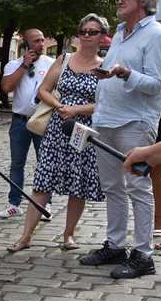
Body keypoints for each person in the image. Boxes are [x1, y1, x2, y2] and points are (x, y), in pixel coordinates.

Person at [80, 0, 161, 279]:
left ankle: (143, 255)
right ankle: (115, 245)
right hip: (106, 119)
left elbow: (156, 85)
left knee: (138, 188)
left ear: (141, 1)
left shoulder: (156, 35)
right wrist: (108, 74)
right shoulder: (119, 33)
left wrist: (127, 73)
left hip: (135, 122)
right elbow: (118, 71)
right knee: (112, 187)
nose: (118, 1)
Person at [7, 14, 108, 253]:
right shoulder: (65, 59)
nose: (85, 36)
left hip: (83, 132)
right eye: (83, 31)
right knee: (42, 182)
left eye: (92, 32)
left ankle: (68, 235)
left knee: (78, 185)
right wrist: (60, 106)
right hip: (56, 128)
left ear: (102, 37)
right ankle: (26, 236)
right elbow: (43, 90)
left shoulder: (104, 67)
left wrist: (77, 109)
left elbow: (106, 103)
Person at [0, 29, 55, 219]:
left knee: (44, 163)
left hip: (43, 120)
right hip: (20, 121)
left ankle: (45, 204)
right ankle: (14, 204)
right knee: (16, 164)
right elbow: (6, 88)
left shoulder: (51, 63)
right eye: (36, 41)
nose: (41, 44)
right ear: (26, 43)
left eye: (42, 40)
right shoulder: (13, 64)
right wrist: (24, 65)